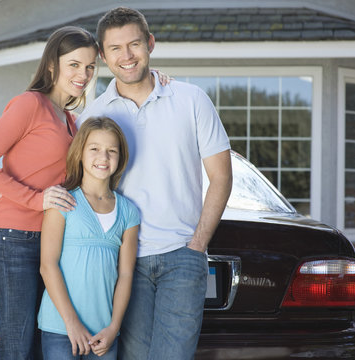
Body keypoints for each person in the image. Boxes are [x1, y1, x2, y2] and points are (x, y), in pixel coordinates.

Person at [76, 7, 233, 360]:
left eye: (134, 44)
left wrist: (198, 245)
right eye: (115, 48)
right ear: (103, 55)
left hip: (182, 256)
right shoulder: (94, 115)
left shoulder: (191, 100)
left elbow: (222, 176)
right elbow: (81, 188)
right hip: (121, 260)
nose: (126, 56)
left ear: (150, 43)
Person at [0, 26, 99, 360]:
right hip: (15, 239)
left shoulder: (72, 120)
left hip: (53, 241)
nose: (83, 74)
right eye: (74, 64)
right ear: (52, 65)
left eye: (89, 66)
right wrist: (33, 198)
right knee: (19, 344)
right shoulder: (30, 104)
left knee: (45, 343)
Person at [38, 117, 139, 359]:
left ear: (120, 157)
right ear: (80, 153)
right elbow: (47, 266)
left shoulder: (128, 212)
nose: (103, 158)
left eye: (111, 151)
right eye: (94, 149)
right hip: (61, 328)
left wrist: (114, 328)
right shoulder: (62, 202)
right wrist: (72, 323)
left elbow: (125, 275)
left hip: (103, 334)